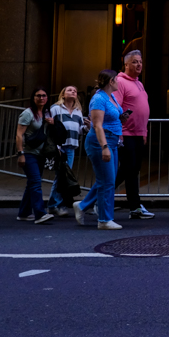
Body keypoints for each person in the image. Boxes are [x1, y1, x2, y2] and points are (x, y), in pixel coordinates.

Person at [74, 70, 130, 230]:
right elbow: (97, 125)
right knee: (107, 181)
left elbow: (110, 119)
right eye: (116, 79)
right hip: (101, 142)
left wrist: (122, 118)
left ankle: (83, 206)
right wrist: (104, 147)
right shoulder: (99, 98)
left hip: (111, 141)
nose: (118, 82)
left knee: (106, 180)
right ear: (111, 81)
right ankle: (104, 220)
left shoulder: (110, 97)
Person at [112, 50, 153, 220]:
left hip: (138, 133)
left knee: (132, 170)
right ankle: (100, 198)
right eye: (135, 62)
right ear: (126, 64)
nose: (139, 65)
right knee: (128, 169)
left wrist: (144, 131)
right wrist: (119, 132)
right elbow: (115, 107)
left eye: (140, 62)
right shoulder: (120, 82)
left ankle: (134, 206)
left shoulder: (139, 83)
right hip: (126, 133)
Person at [15, 87, 55, 224]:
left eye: (44, 95)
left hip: (41, 153)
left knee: (32, 183)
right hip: (29, 153)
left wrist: (52, 123)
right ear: (33, 98)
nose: (41, 98)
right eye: (38, 95)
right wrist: (20, 153)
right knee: (36, 182)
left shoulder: (47, 112)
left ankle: (24, 213)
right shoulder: (27, 113)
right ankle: (40, 214)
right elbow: (19, 135)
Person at [47, 86, 87, 217]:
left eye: (75, 90)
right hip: (60, 146)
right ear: (63, 94)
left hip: (71, 146)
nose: (73, 91)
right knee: (61, 176)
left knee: (63, 176)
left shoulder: (78, 111)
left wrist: (87, 127)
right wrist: (56, 146)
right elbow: (50, 126)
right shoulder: (55, 108)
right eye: (69, 90)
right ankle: (56, 205)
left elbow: (80, 129)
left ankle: (54, 204)